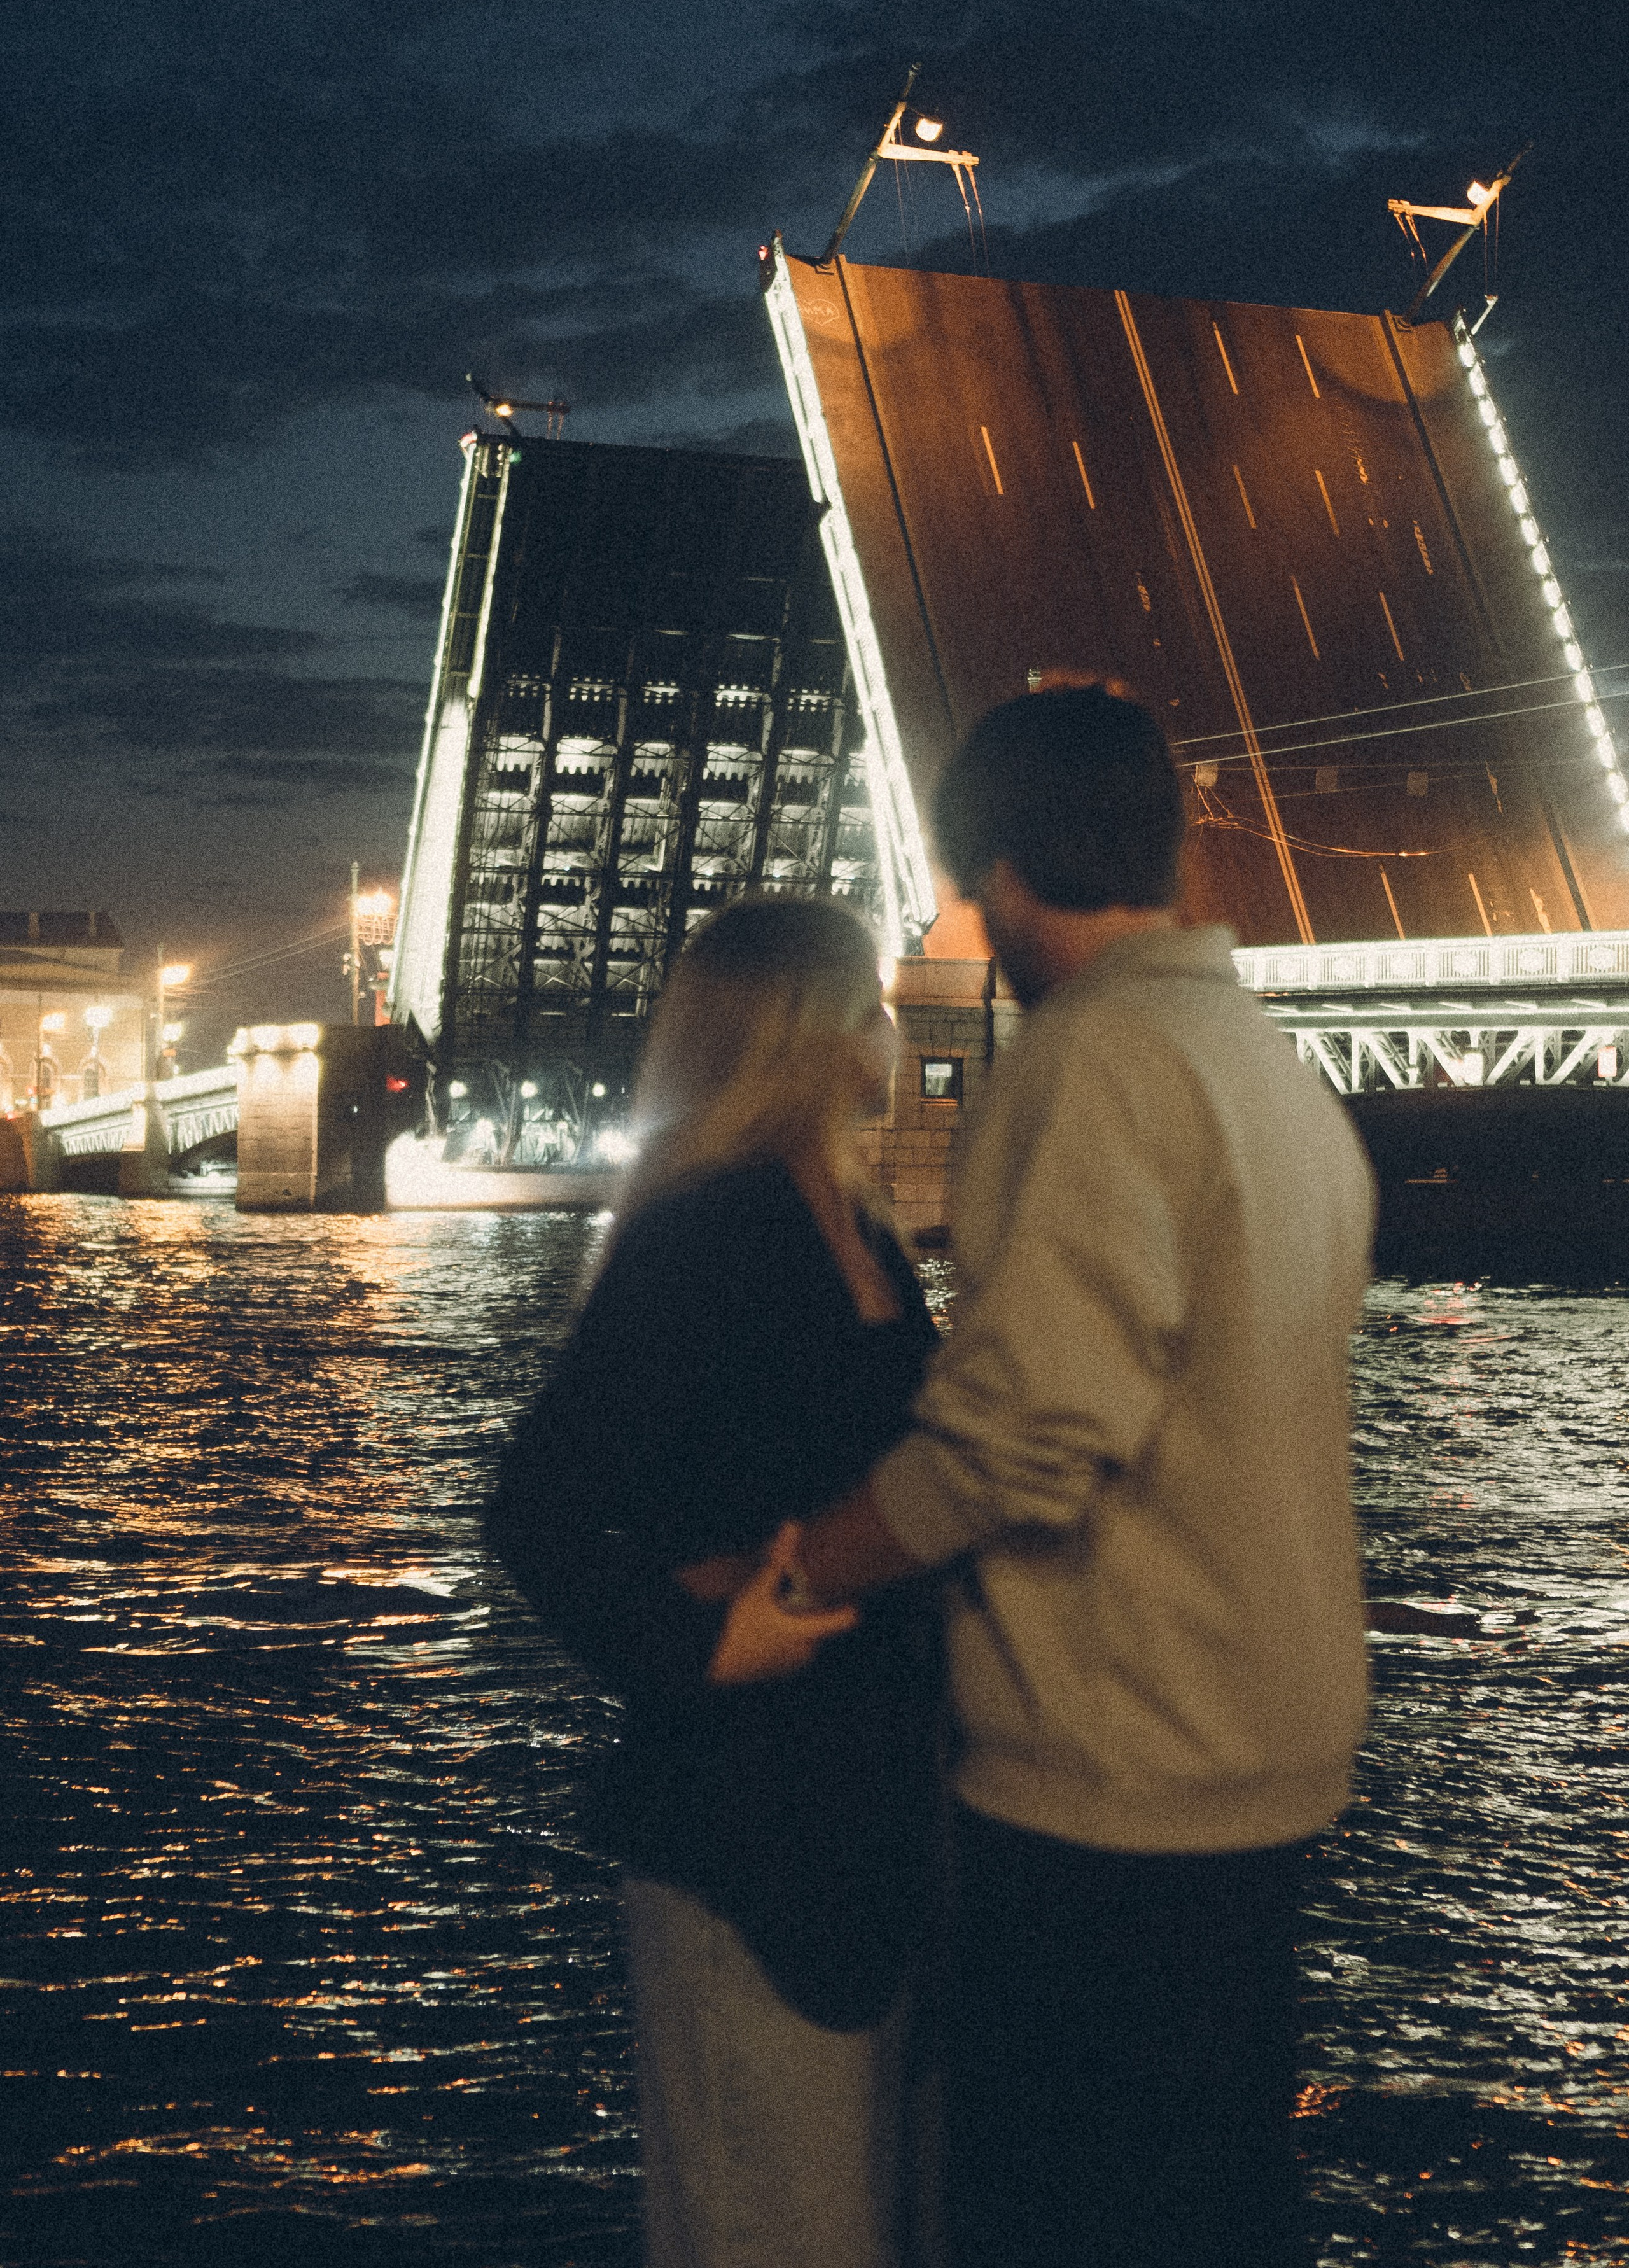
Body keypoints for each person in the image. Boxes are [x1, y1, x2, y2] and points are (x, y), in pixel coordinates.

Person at [769, 687, 1378, 2267]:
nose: (979, 919)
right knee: (1222, 2212)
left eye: (977, 886)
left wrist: (792, 1574)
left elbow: (1023, 1436)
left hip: (1111, 1781)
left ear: (1008, 871)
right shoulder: (1268, 1070)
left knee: (1061, 2216)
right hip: (1268, 1761)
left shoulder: (1091, 1062)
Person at [486, 895, 943, 2268]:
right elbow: (538, 1509)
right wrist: (699, 1646)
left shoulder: (854, 1224)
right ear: (804, 1028)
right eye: (867, 993)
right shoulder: (712, 1232)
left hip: (870, 1818)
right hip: (743, 1829)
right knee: (773, 2228)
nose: (891, 1018)